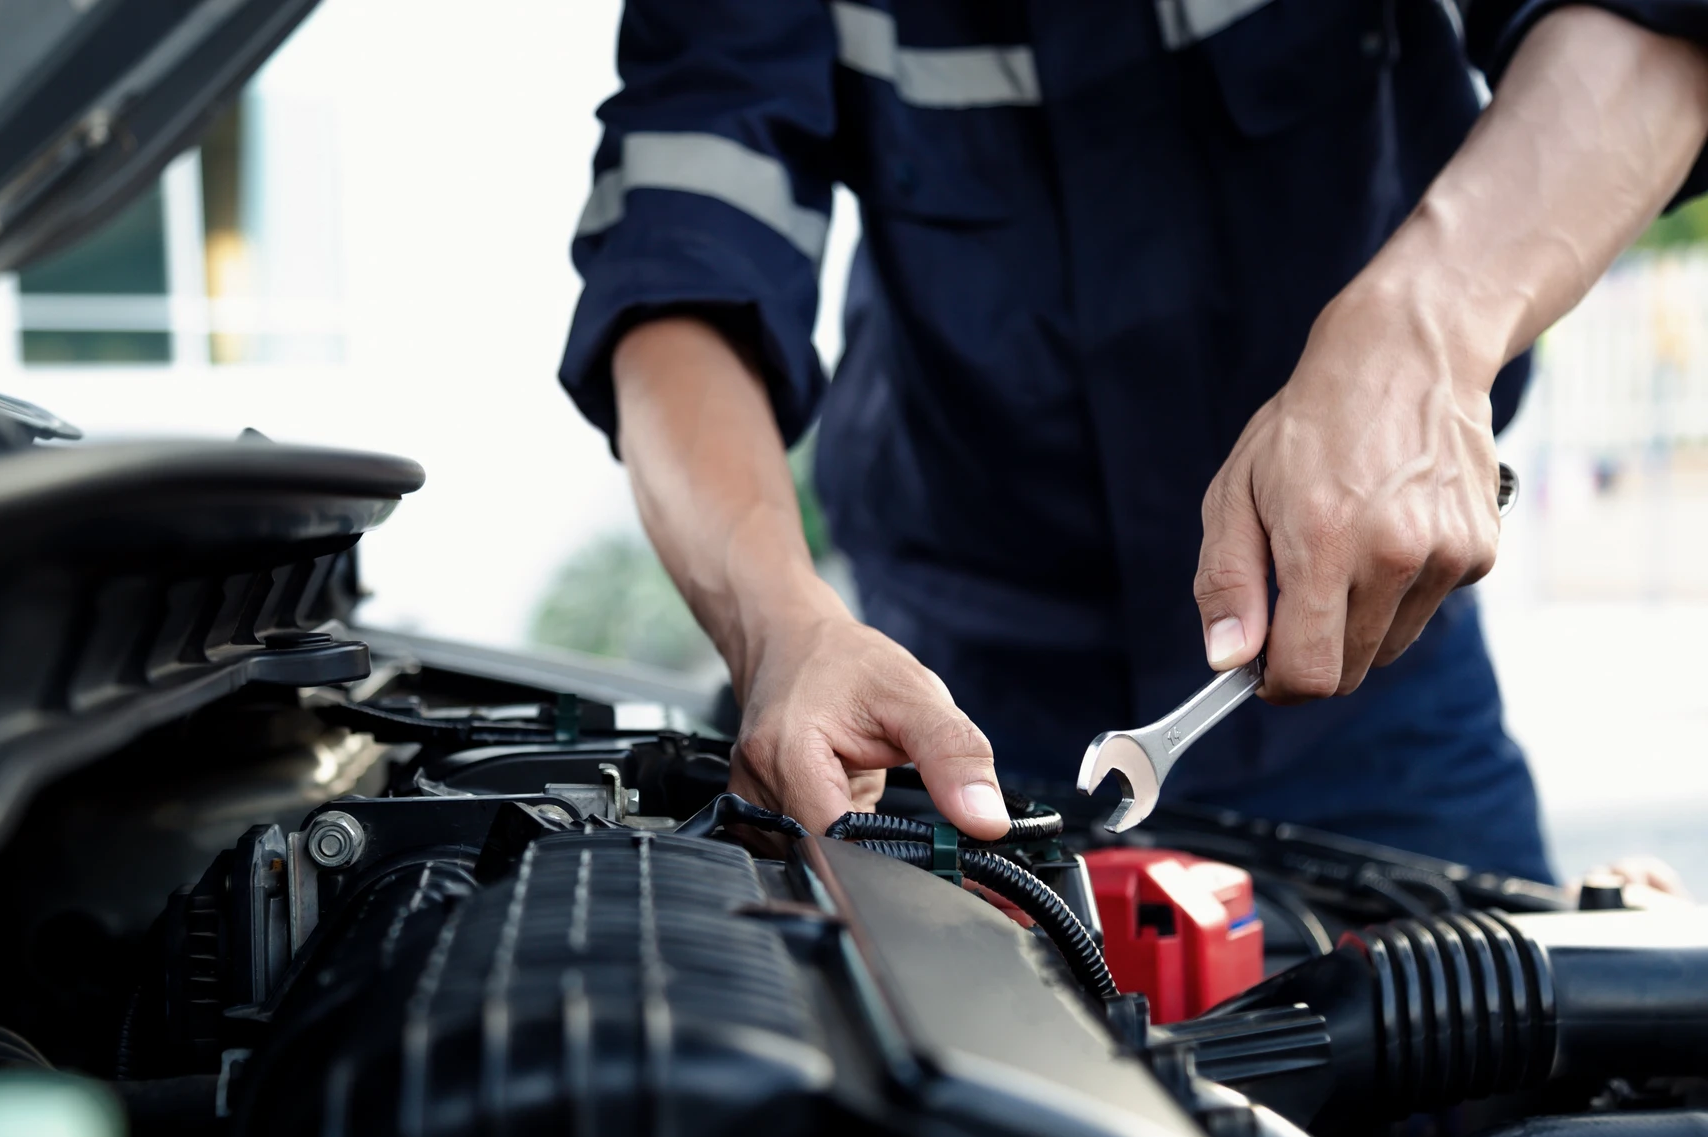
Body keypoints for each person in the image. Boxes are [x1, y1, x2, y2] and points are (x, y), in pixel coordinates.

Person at [558, 0, 1708, 881]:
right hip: (940, 716)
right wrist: (779, 631)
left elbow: (1650, 28)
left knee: (1516, 1107)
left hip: (1379, 686)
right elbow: (680, 248)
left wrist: (1427, 326)